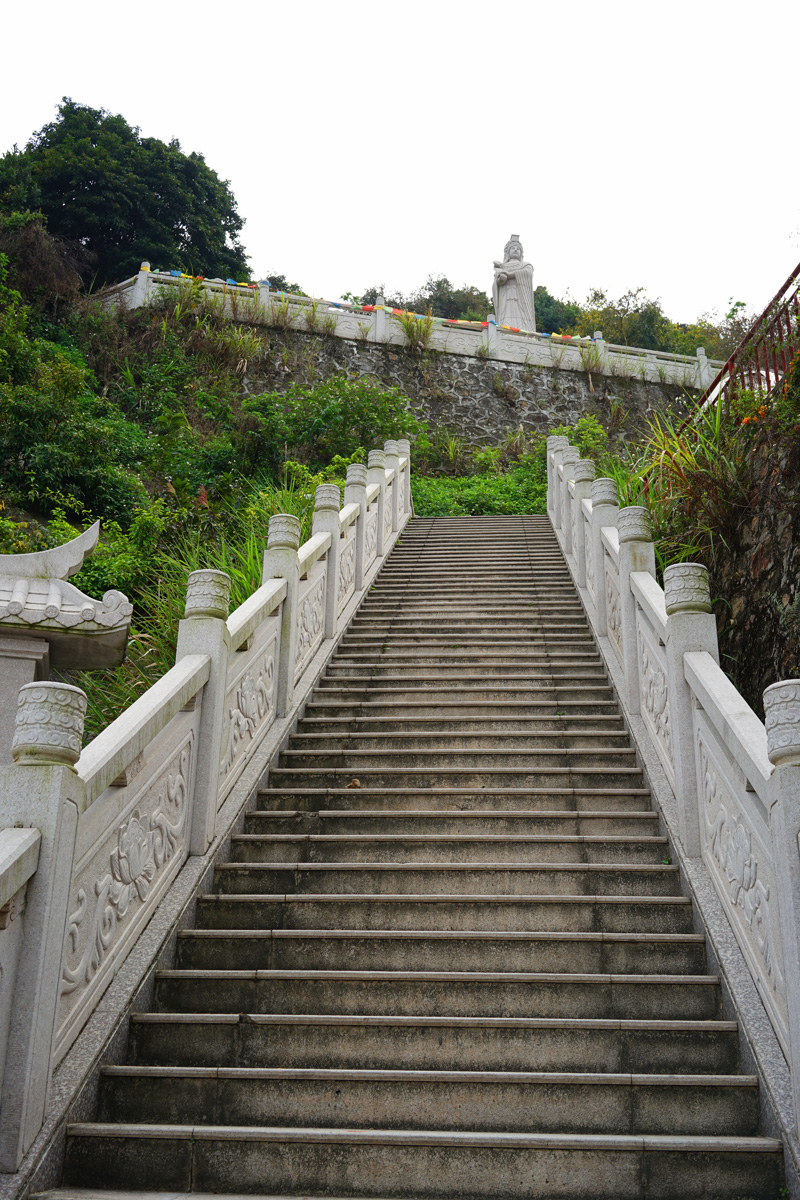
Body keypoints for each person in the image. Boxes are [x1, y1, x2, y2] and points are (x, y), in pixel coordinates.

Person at [492, 235, 536, 332]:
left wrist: (510, 274)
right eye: (512, 248)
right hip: (506, 297)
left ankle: (524, 332)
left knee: (522, 320)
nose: (515, 250)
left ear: (521, 253)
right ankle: (504, 331)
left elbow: (527, 273)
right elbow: (497, 282)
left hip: (521, 297)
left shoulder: (525, 265)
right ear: (508, 252)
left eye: (518, 249)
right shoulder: (502, 266)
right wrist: (501, 279)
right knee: (505, 317)